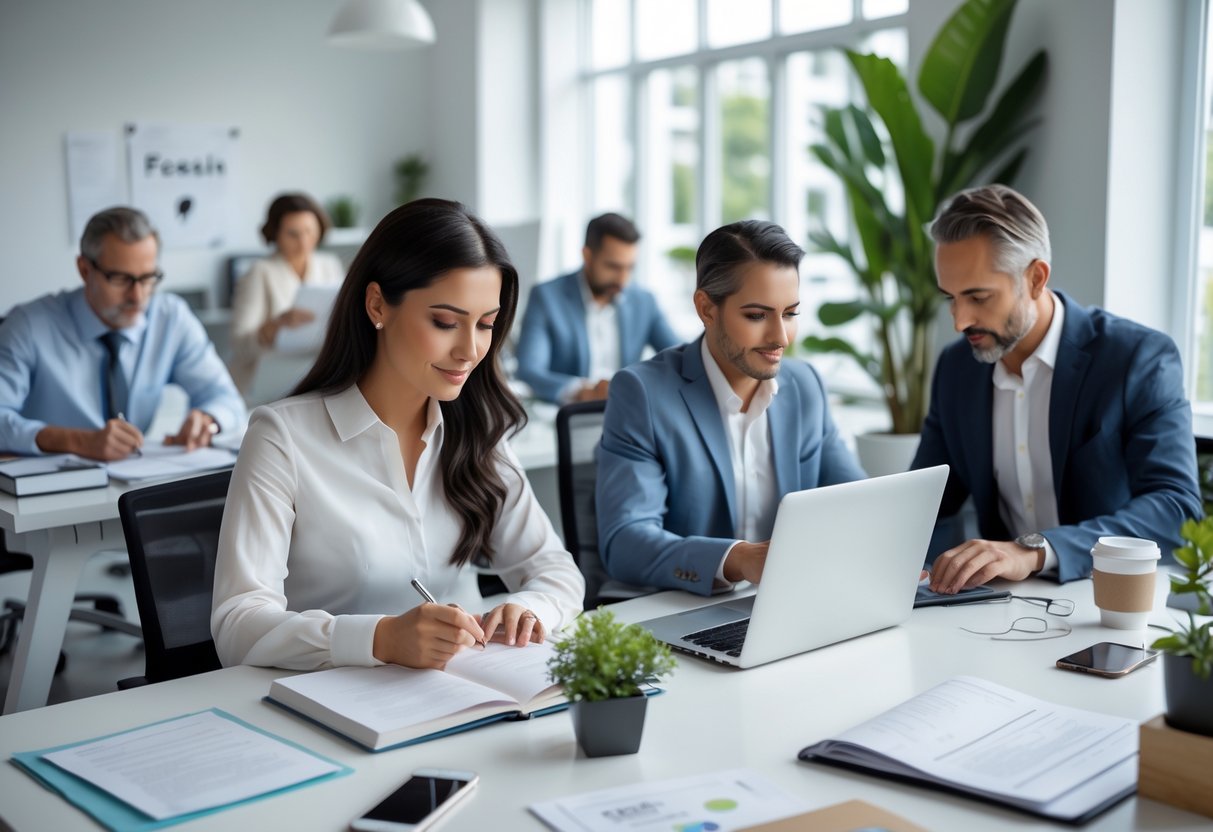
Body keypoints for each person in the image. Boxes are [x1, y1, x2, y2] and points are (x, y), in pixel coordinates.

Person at [211, 198, 585, 671]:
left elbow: (555, 570)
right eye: (445, 322)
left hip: (470, 692)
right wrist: (380, 638)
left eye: (486, 325)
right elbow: (237, 626)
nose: (470, 350)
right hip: (334, 709)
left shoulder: (478, 429)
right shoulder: (282, 437)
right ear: (376, 305)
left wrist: (530, 609)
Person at [914, 184, 1201, 592]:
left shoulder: (1137, 358)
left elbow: (1177, 509)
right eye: (951, 298)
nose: (960, 321)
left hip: (1105, 602)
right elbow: (922, 502)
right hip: (1000, 613)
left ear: (1035, 278)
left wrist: (1033, 551)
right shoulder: (956, 369)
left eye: (978, 297)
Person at [596, 220, 866, 596]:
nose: (780, 337)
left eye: (790, 313)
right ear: (707, 308)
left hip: (785, 601)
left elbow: (861, 504)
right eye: (757, 315)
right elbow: (624, 543)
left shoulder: (805, 386)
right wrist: (738, 559)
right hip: (678, 606)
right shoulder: (642, 393)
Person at [0, 207, 246, 460]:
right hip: (44, 486)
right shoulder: (27, 327)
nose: (137, 296)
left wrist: (209, 421)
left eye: (148, 278)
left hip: (131, 484)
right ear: (84, 270)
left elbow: (226, 400)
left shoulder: (170, 318)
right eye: (120, 279)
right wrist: (77, 440)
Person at [515, 213, 679, 403]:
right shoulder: (546, 297)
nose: (623, 280)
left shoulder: (644, 301)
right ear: (587, 256)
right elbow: (529, 370)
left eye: (629, 268)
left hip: (629, 416)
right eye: (613, 267)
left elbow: (680, 356)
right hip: (571, 416)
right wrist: (582, 391)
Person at [228, 193, 345, 393]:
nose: (303, 242)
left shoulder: (330, 266)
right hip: (265, 383)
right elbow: (239, 344)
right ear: (275, 234)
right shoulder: (259, 272)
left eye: (309, 231)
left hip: (314, 377)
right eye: (293, 234)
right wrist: (275, 326)